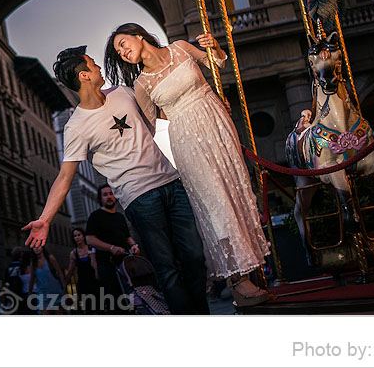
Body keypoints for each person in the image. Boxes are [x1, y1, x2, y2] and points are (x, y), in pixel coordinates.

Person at [22, 45, 209, 315]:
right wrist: (46, 219)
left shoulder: (123, 93)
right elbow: (65, 177)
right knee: (167, 269)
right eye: (92, 64)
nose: (98, 67)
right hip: (139, 198)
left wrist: (203, 108)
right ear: (84, 75)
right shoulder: (76, 126)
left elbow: (159, 113)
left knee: (194, 258)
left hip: (171, 182)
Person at [105, 23, 272, 306]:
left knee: (234, 192)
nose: (122, 52)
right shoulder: (142, 84)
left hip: (217, 123)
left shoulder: (180, 48)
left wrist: (215, 48)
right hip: (187, 139)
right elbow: (150, 126)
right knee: (215, 202)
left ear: (139, 35)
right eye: (118, 51)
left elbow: (216, 62)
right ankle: (237, 281)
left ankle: (252, 265)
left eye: (123, 43)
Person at [85, 185, 138, 313]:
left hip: (125, 265)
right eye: (105, 195)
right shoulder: (95, 216)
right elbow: (90, 239)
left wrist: (134, 246)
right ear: (100, 198)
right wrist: (111, 248)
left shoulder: (120, 217)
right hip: (107, 265)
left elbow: (127, 237)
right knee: (115, 302)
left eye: (111, 194)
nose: (109, 197)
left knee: (131, 299)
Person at [66, 227, 100, 314]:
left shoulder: (91, 249)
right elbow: (70, 271)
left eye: (79, 235)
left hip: (94, 282)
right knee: (88, 309)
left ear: (83, 236)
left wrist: (92, 257)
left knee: (99, 307)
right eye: (75, 236)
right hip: (82, 284)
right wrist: (64, 283)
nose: (77, 237)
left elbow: (95, 266)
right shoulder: (73, 253)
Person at [28, 245, 66, 314]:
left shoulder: (50, 258)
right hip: (43, 294)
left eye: (38, 246)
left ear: (42, 247)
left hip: (55, 291)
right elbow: (32, 279)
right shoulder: (33, 263)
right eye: (34, 247)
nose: (36, 248)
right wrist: (29, 293)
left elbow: (60, 273)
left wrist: (64, 288)